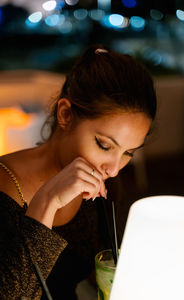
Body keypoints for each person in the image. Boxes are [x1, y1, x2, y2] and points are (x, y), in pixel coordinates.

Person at [0, 44, 157, 299]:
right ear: (65, 115)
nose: (114, 169)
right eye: (104, 145)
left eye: (129, 153)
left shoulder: (101, 188)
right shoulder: (4, 187)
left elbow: (102, 272)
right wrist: (47, 201)